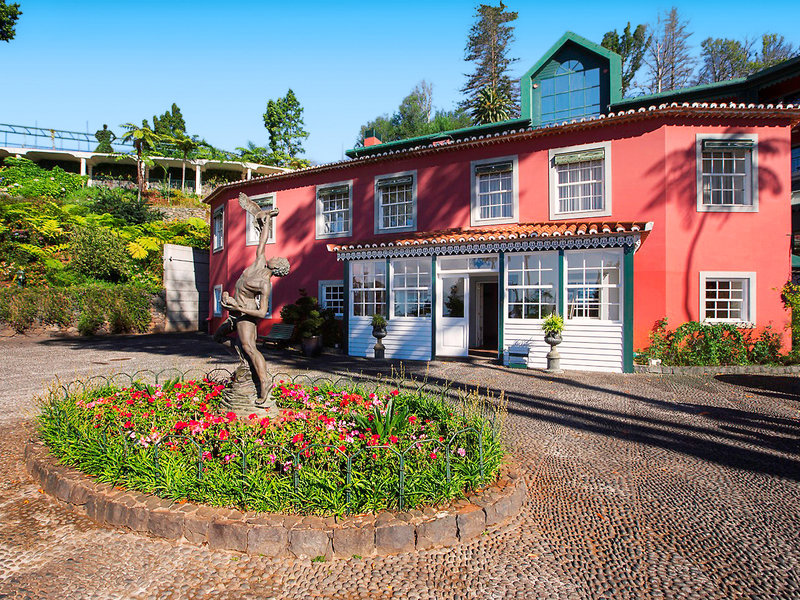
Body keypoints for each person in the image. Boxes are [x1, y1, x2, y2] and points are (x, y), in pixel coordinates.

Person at [213, 196, 289, 405]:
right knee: (218, 337)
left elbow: (262, 312)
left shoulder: (265, 284)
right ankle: (245, 363)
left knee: (250, 347)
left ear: (277, 267)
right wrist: (268, 220)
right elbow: (263, 240)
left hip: (245, 314)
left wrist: (237, 306)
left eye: (278, 259)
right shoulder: (259, 263)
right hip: (235, 312)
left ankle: (264, 382)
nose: (275, 256)